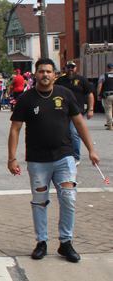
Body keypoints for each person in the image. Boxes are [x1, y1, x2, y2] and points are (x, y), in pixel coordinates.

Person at [8, 58, 100, 263]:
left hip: (64, 156)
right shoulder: (26, 98)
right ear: (35, 74)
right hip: (37, 160)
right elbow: (15, 129)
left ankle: (65, 242)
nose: (45, 75)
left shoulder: (65, 94)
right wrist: (12, 158)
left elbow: (79, 123)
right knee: (39, 202)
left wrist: (91, 150)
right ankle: (41, 242)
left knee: (68, 198)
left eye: (49, 72)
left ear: (54, 74)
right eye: (41, 72)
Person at [54, 61, 95, 166]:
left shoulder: (82, 80)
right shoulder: (60, 81)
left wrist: (91, 109)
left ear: (76, 68)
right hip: (61, 111)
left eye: (72, 67)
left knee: (74, 133)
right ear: (65, 68)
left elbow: (89, 94)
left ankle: (76, 157)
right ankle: (63, 154)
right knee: (61, 133)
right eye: (68, 67)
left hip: (76, 111)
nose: (70, 69)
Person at [97, 63, 113, 130]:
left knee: (108, 110)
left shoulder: (104, 76)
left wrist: (98, 94)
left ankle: (110, 125)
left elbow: (100, 85)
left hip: (108, 95)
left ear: (107, 68)